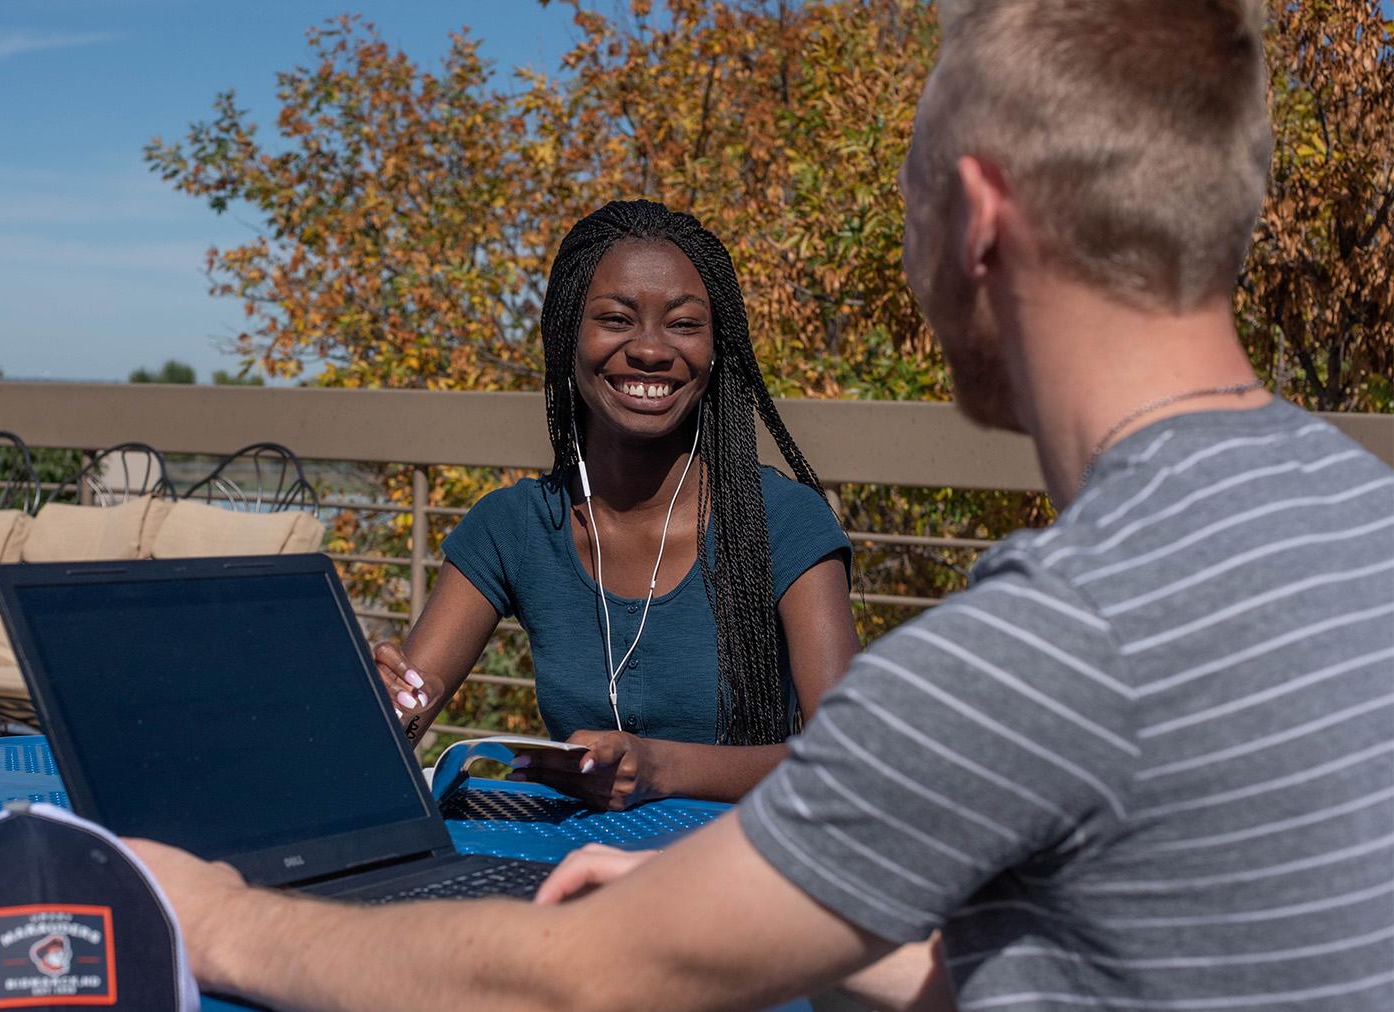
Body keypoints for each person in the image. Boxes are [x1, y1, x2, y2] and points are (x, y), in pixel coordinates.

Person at [126, 1, 1394, 1007]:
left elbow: (580, 991)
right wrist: (752, 907)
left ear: (980, 222)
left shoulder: (1055, 639)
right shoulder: (1356, 521)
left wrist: (218, 917)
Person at [375, 199, 860, 809]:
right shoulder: (514, 527)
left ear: (717, 348)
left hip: (740, 869)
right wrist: (387, 706)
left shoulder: (784, 522)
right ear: (566, 337)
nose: (651, 350)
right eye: (616, 319)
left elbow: (848, 758)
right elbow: (409, 706)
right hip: (572, 864)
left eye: (684, 324)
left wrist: (658, 768)